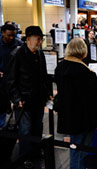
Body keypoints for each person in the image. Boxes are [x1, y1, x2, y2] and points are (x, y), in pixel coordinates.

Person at [54, 38, 97, 169]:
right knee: (82, 149)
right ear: (83, 51)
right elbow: (95, 99)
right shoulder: (86, 72)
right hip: (84, 117)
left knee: (74, 147)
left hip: (68, 115)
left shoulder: (60, 67)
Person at [6, 26, 52, 168]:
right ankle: (25, 157)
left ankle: (36, 152)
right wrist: (16, 99)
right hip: (24, 101)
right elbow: (10, 80)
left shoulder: (40, 54)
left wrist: (48, 93)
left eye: (41, 39)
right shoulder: (17, 54)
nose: (40, 42)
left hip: (38, 99)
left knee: (38, 127)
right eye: (38, 39)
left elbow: (44, 76)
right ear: (28, 38)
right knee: (25, 130)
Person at [0, 24, 23, 127]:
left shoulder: (19, 45)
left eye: (13, 35)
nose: (11, 38)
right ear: (3, 33)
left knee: (17, 107)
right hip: (1, 81)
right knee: (1, 107)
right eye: (9, 35)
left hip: (15, 81)